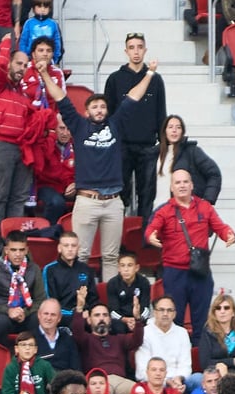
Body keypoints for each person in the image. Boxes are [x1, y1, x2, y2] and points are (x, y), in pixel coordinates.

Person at [42, 58, 158, 282]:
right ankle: (81, 299)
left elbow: (133, 96)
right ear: (87, 112)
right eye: (94, 107)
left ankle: (110, 299)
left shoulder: (116, 124)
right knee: (81, 255)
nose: (99, 110)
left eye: (103, 106)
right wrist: (45, 75)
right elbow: (60, 97)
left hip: (113, 201)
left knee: (111, 256)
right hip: (87, 200)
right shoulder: (78, 125)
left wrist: (150, 73)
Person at [145, 169, 235, 343]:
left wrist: (229, 235)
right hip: (174, 273)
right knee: (175, 322)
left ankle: (200, 357)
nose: (182, 185)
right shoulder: (164, 211)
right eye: (178, 182)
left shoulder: (205, 207)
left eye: (185, 182)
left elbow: (220, 227)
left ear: (192, 185)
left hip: (200, 272)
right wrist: (151, 236)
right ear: (172, 187)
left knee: (202, 324)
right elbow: (151, 229)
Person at [103, 33, 168, 219]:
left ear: (145, 50)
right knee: (119, 193)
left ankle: (145, 233)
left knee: (147, 194)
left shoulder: (156, 79)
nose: (136, 51)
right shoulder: (115, 79)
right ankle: (120, 233)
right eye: (132, 47)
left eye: (140, 47)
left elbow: (161, 112)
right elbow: (108, 113)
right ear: (126, 51)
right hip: (121, 145)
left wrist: (162, 143)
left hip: (147, 145)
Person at [0, 47, 36, 221]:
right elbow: (1, 65)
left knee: (19, 197)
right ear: (9, 63)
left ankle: (13, 236)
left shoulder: (24, 93)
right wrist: (6, 42)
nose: (22, 68)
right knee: (0, 196)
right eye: (18, 63)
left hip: (22, 147)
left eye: (25, 65)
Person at [0, 232, 45, 345]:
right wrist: (8, 311)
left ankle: (38, 355)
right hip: (2, 312)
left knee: (39, 319)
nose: (18, 254)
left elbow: (40, 300)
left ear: (26, 250)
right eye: (13, 250)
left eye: (21, 250)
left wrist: (25, 312)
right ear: (6, 250)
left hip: (26, 312)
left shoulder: (34, 269)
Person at [42, 231, 100, 327]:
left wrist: (90, 312)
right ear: (59, 248)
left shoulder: (86, 269)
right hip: (61, 316)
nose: (70, 249)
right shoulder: (50, 270)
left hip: (85, 315)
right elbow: (50, 301)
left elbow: (94, 299)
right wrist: (77, 313)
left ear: (78, 248)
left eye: (73, 246)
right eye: (66, 246)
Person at [196, 294, 235, 377]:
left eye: (226, 308)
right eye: (218, 308)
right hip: (216, 376)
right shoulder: (208, 332)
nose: (222, 311)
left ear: (233, 312)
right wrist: (233, 361)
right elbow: (205, 363)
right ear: (214, 313)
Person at [135, 295, 191, 386]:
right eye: (161, 310)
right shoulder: (144, 332)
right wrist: (166, 382)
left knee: (197, 379)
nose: (165, 314)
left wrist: (179, 378)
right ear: (154, 313)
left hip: (178, 381)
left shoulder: (182, 332)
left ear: (174, 314)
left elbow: (186, 365)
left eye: (169, 310)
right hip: (153, 382)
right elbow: (142, 371)